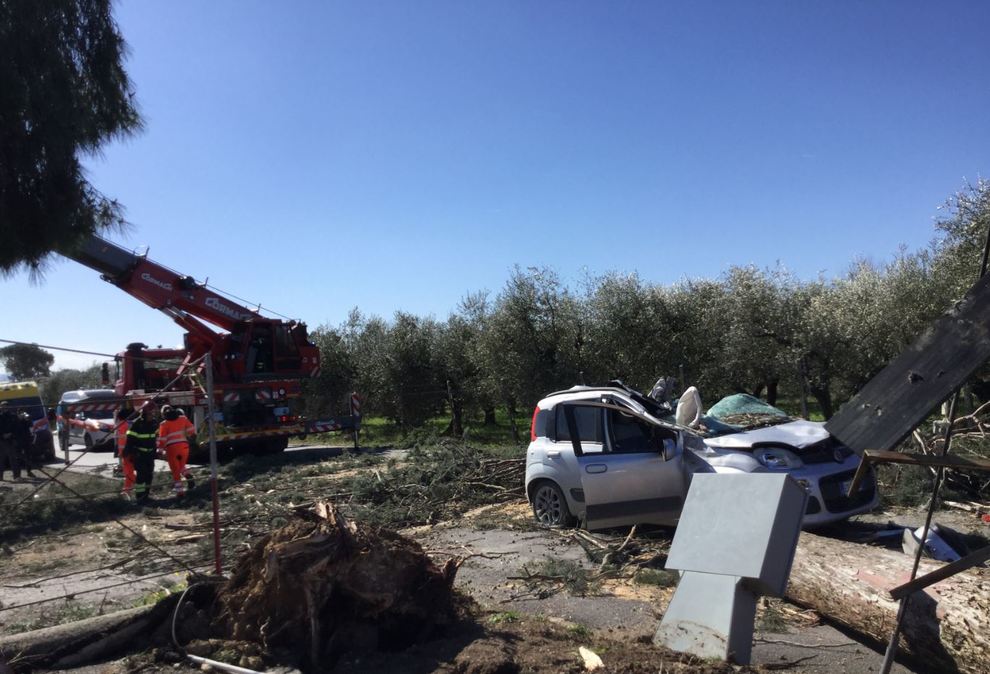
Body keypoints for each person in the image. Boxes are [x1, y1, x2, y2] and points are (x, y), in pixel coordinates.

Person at [157, 405, 196, 496]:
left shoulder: (163, 424)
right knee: (181, 465)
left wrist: (159, 450)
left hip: (172, 449)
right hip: (184, 447)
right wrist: (192, 437)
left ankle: (180, 492)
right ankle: (188, 476)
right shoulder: (183, 419)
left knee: (175, 470)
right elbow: (191, 430)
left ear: (163, 414)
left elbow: (162, 439)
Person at [124, 404, 159, 503]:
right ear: (144, 415)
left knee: (149, 475)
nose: (152, 416)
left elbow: (154, 438)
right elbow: (130, 440)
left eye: (153, 414)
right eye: (150, 414)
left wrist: (155, 452)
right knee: (141, 475)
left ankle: (146, 495)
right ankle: (139, 496)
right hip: (139, 454)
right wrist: (130, 452)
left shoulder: (154, 423)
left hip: (150, 454)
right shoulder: (137, 424)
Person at [116, 407, 136, 498]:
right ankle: (127, 490)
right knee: (128, 471)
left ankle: (128, 489)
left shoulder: (121, 425)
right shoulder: (128, 424)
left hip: (126, 452)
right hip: (128, 451)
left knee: (128, 472)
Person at [0, 401, 21, 481]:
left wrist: (11, 434)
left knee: (13, 459)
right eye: (2, 406)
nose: (4, 407)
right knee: (1, 460)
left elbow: (17, 428)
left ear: (9, 407)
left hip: (11, 440)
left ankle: (16, 476)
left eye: (6, 406)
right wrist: (2, 435)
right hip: (1, 441)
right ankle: (0, 477)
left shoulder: (13, 416)